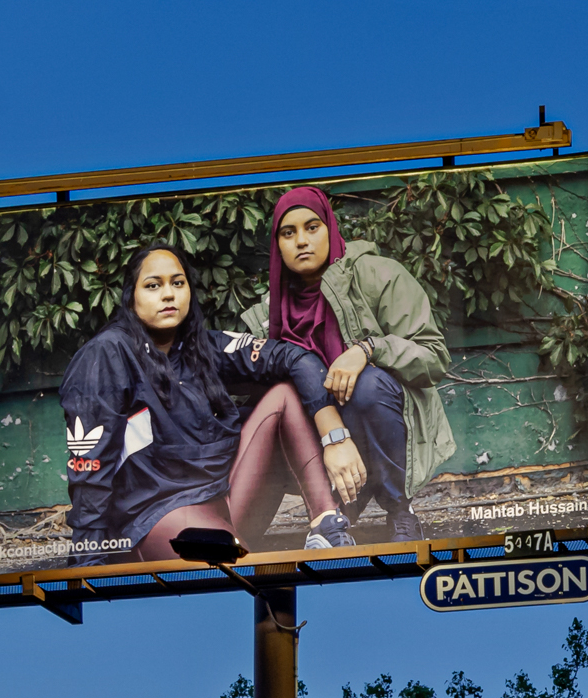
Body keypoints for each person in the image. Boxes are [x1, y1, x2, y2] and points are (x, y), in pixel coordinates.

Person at [61, 242, 364, 565]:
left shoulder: (201, 345)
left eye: (178, 283)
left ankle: (327, 528)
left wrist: (336, 436)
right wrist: (87, 567)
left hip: (226, 498)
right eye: (153, 286)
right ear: (131, 297)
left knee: (284, 395)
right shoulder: (105, 355)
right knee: (246, 575)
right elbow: (89, 470)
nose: (168, 294)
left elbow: (294, 358)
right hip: (156, 517)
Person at [240, 185, 457, 542]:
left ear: (330, 228)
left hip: (383, 420)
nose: (302, 241)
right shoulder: (267, 315)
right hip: (319, 438)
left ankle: (400, 509)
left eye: (312, 227)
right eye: (288, 233)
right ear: (277, 245)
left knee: (367, 385)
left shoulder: (376, 275)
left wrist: (369, 349)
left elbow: (433, 356)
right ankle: (331, 511)